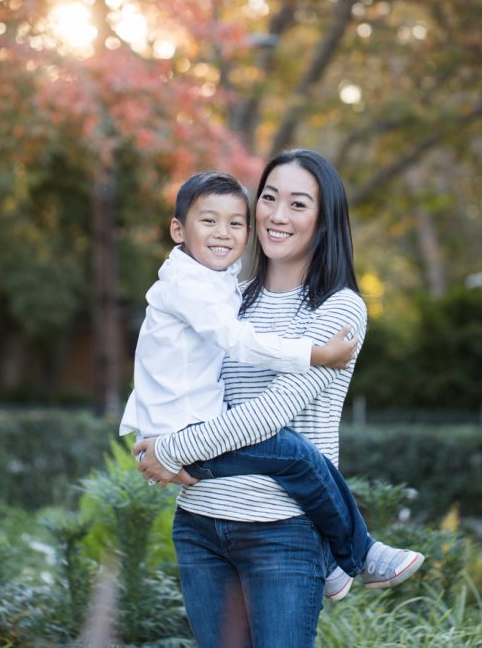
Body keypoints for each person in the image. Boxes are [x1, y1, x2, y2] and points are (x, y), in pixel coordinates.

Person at [125, 163, 423, 646]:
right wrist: (149, 435)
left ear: (324, 221)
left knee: (291, 452)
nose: (277, 215)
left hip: (280, 532)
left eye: (298, 203)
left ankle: (349, 554)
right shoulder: (224, 296)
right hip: (199, 523)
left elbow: (270, 414)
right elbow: (169, 366)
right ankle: (350, 555)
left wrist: (172, 449)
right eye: (269, 198)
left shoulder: (338, 308)